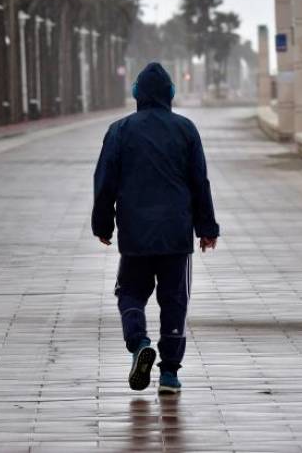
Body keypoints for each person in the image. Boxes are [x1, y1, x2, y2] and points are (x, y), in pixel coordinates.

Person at [92, 62, 219, 395]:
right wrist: (207, 227)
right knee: (174, 300)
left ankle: (139, 343)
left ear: (136, 94)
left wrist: (102, 224)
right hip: (177, 233)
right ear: (170, 95)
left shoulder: (119, 130)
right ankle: (170, 374)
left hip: (135, 232)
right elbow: (199, 182)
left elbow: (105, 183)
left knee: (130, 292)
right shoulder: (186, 129)